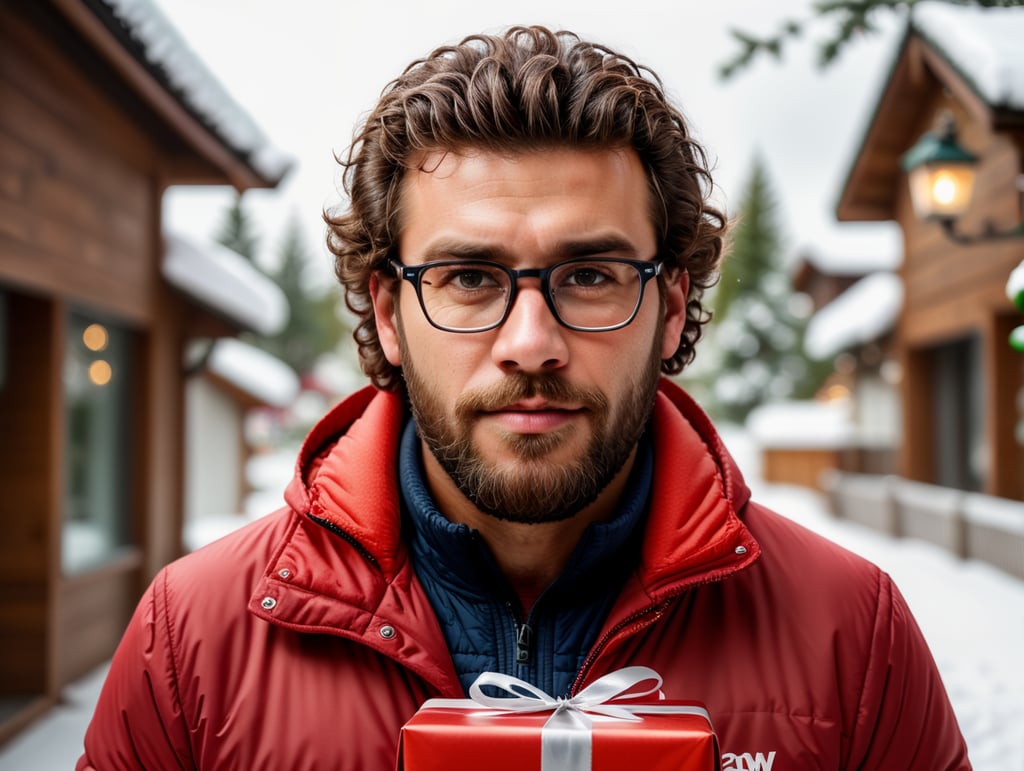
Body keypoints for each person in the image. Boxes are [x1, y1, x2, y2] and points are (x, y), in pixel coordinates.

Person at [78, 26, 970, 770]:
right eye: (470, 276)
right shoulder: (195, 638)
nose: (531, 344)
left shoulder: (851, 633)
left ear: (669, 308)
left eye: (589, 274)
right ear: (391, 314)